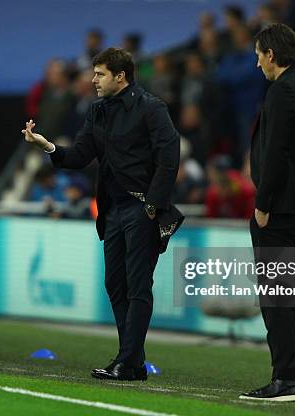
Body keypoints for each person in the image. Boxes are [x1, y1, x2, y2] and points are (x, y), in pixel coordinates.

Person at [21, 47, 183, 381]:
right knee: (115, 283)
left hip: (142, 208)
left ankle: (127, 360)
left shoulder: (152, 108)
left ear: (120, 76)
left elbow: (169, 156)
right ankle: (133, 362)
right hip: (113, 210)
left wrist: (153, 205)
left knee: (138, 285)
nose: (92, 80)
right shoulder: (98, 111)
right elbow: (81, 155)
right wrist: (47, 146)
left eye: (100, 74)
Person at [239, 23, 295, 403]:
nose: (257, 64)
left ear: (271, 55)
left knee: (275, 294)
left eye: (258, 56)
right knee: (293, 293)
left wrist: (263, 204)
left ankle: (285, 378)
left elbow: (276, 153)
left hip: (281, 207)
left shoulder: (282, 91)